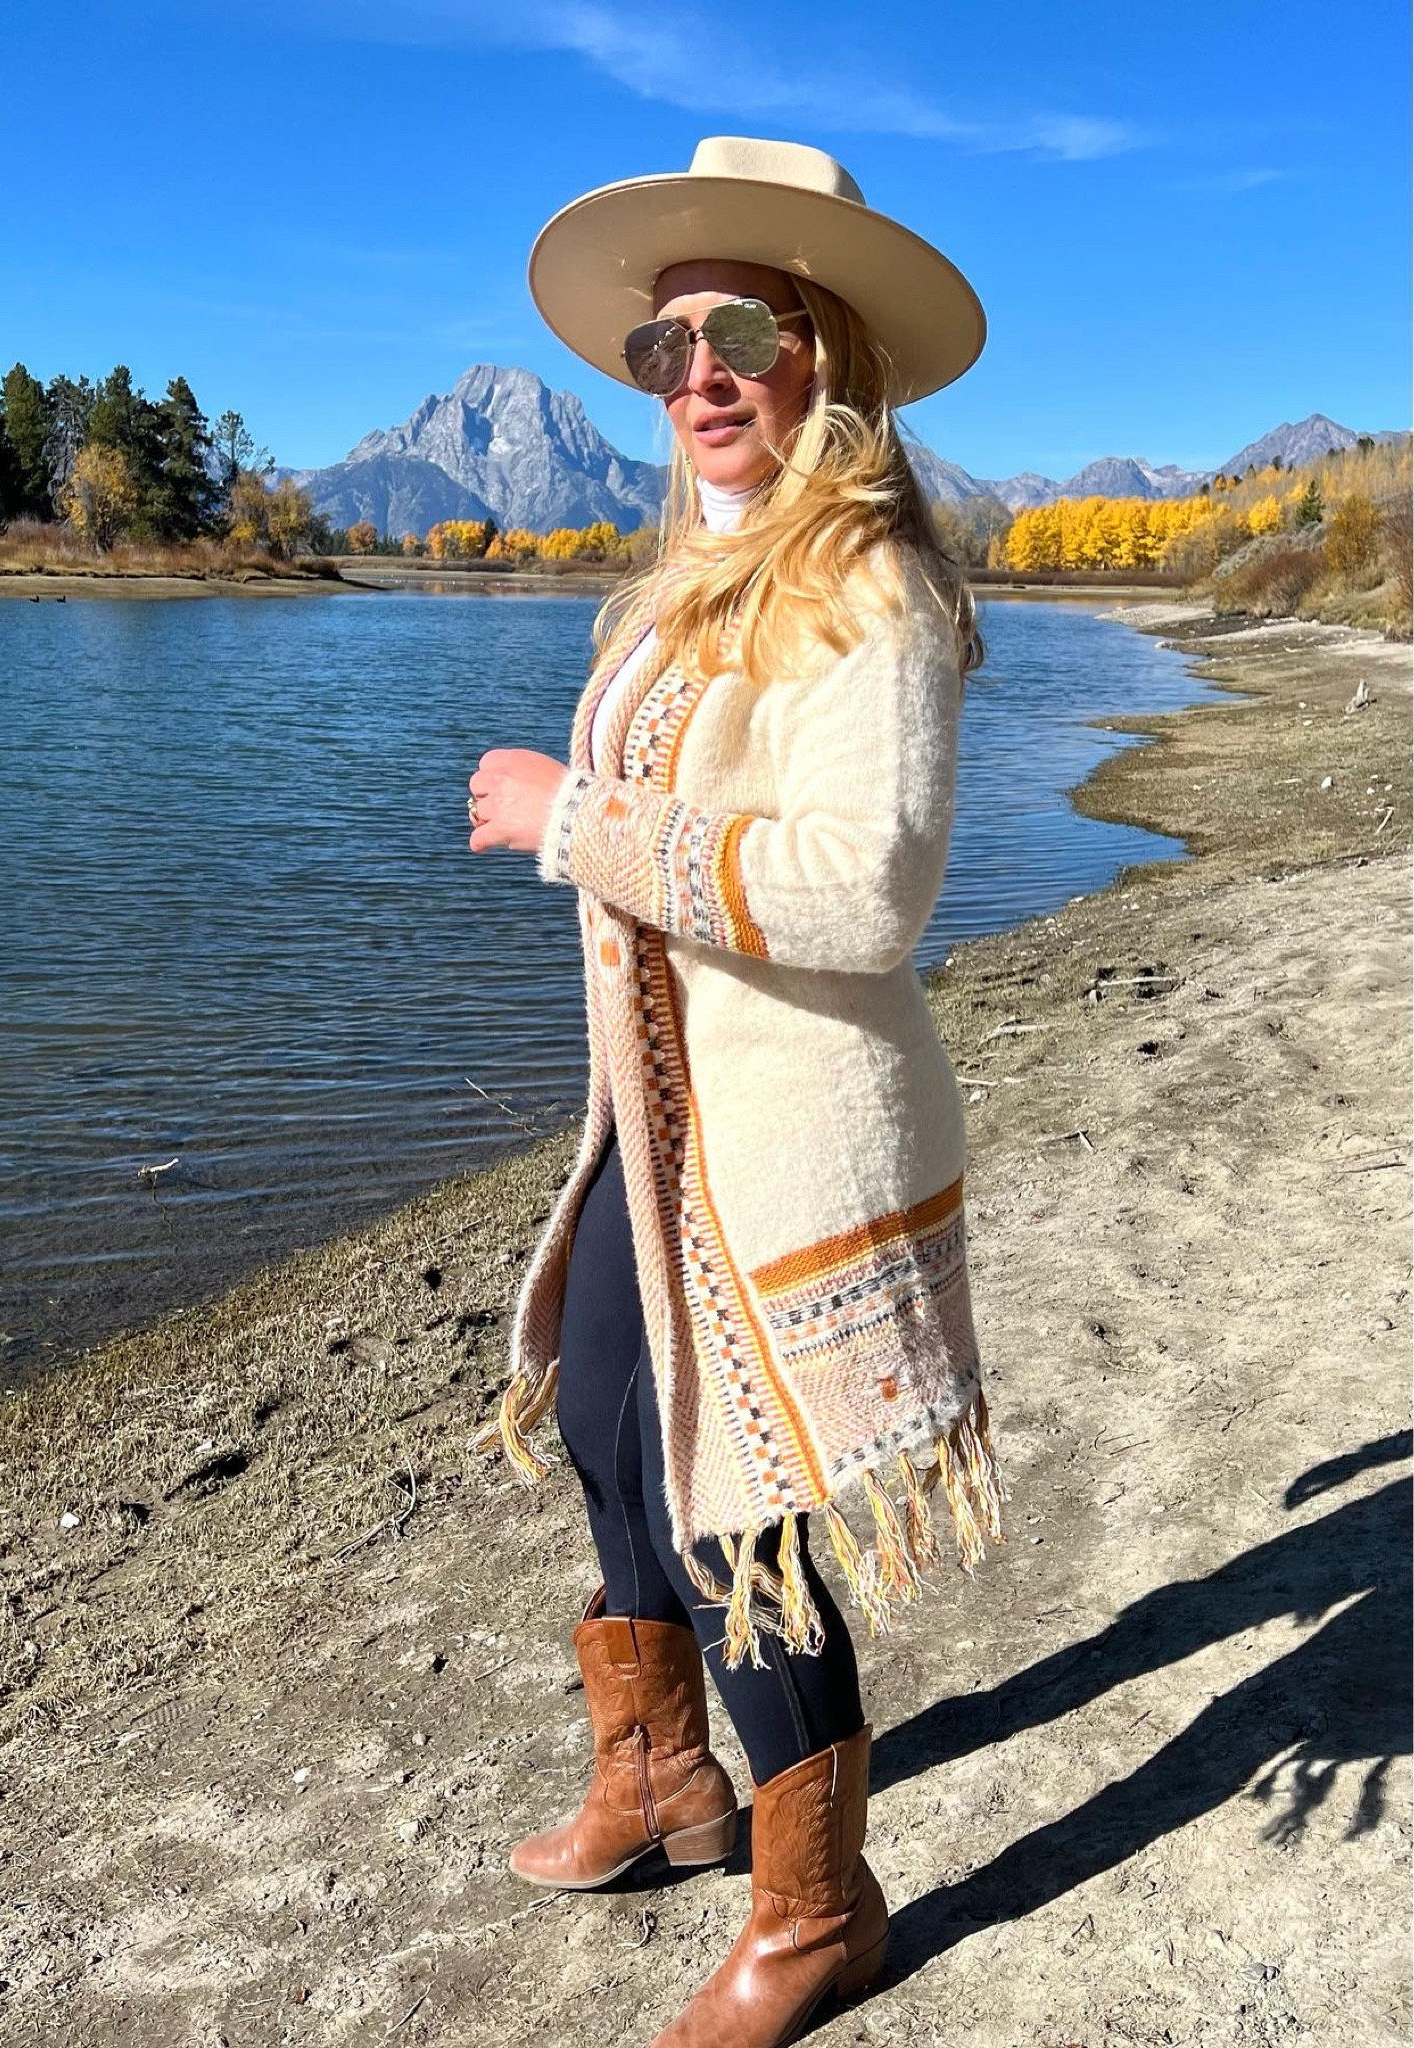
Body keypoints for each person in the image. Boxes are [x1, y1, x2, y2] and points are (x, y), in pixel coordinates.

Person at [465, 135, 1006, 2048]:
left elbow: (868, 894)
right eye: (664, 343)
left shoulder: (866, 581)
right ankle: (663, 1780)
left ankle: (819, 1915)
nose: (696, 372)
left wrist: (574, 821)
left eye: (741, 335)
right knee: (610, 1434)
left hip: (788, 1134)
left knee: (735, 1519)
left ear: (824, 352)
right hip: (664, 1121)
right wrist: (591, 824)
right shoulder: (693, 581)